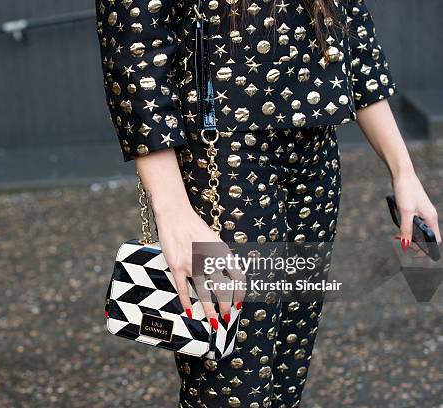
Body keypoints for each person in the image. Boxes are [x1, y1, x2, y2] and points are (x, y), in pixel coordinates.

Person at [95, 0, 441, 406]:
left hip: (315, 154)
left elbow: (351, 30)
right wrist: (171, 208)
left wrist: (404, 170)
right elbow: (135, 46)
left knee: (286, 375)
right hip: (222, 163)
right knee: (231, 384)